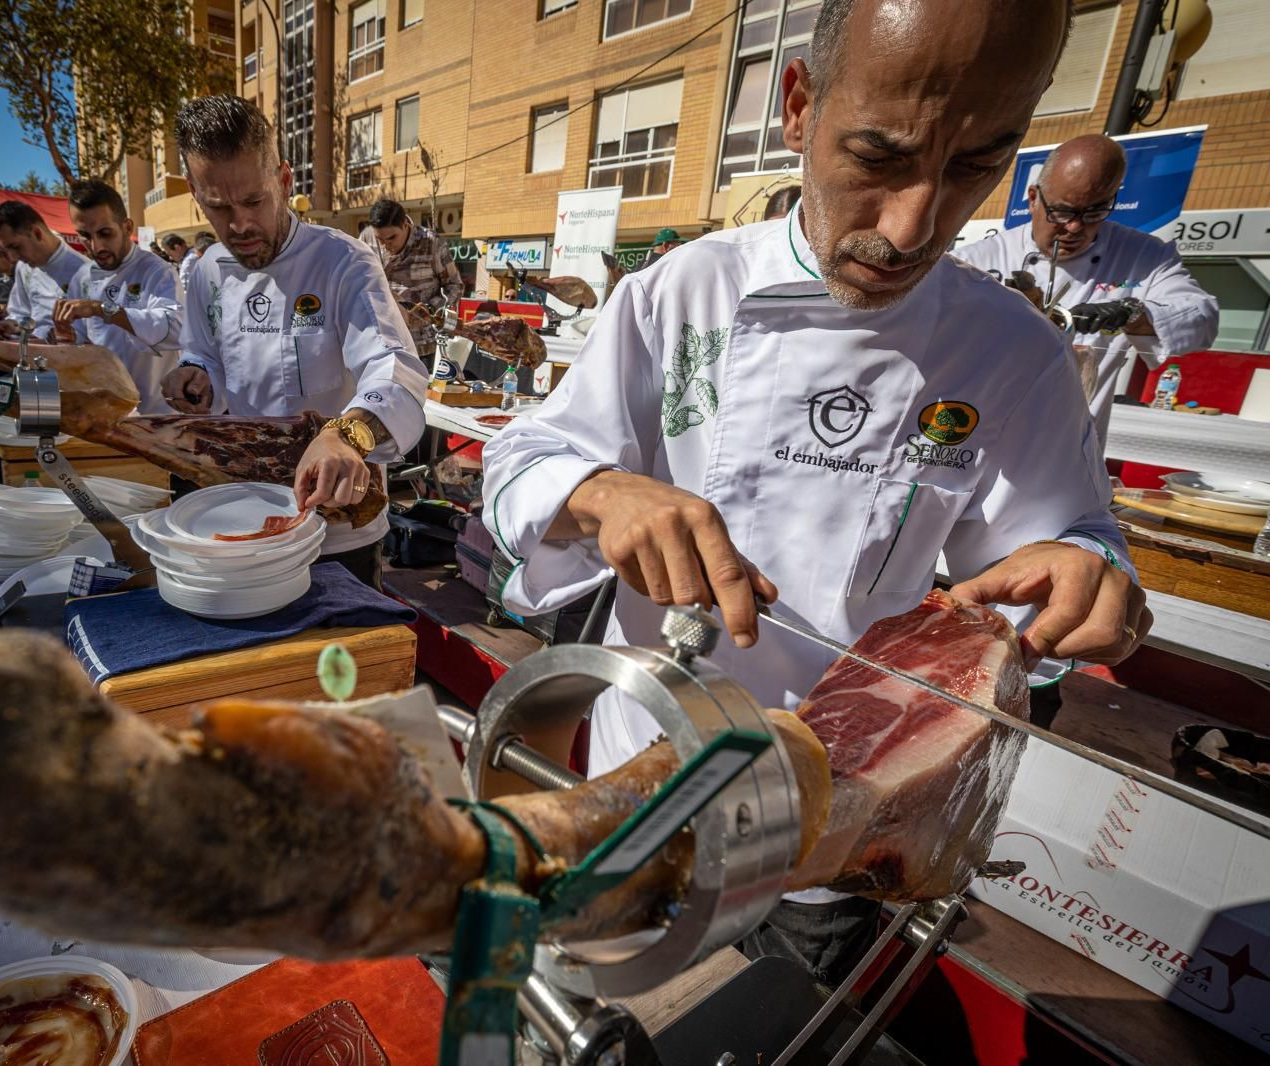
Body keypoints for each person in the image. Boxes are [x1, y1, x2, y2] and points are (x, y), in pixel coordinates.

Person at [481, 0, 1150, 988]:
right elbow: (519, 460)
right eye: (877, 156)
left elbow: (1067, 547)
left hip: (839, 837)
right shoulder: (680, 295)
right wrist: (597, 492)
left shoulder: (1011, 351)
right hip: (642, 793)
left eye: (974, 165)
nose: (913, 225)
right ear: (797, 107)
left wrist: (1095, 575)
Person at [162, 95, 427, 589]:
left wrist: (344, 436)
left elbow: (393, 367)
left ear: (284, 182)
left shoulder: (343, 262)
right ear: (197, 196)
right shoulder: (205, 272)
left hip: (337, 527)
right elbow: (206, 357)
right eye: (218, 207)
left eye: (254, 201)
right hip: (244, 512)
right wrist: (195, 374)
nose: (238, 224)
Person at [952, 134, 1219, 445]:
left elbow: (1203, 318)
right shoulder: (975, 260)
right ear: (1034, 197)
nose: (1075, 227)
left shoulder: (1145, 256)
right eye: (1063, 212)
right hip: (979, 435)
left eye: (1094, 212)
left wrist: (1131, 314)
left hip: (1070, 449)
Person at [51, 179, 182, 415]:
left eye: (105, 233)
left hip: (157, 413)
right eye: (84, 236)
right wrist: (64, 334)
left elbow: (174, 329)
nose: (96, 246)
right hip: (106, 411)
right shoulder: (82, 278)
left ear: (127, 227)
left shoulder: (157, 271)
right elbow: (82, 345)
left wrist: (102, 309)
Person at [359, 198, 463, 361]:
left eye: (391, 238)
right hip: (379, 343)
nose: (385, 245)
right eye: (380, 240)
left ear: (404, 225)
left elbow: (455, 286)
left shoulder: (431, 243)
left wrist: (429, 311)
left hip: (420, 346)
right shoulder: (366, 238)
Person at [0, 200, 89, 339]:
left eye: (15, 247)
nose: (12, 258)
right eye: (6, 251)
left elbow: (96, 336)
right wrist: (11, 323)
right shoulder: (24, 266)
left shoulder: (85, 272)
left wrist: (68, 337)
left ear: (37, 233)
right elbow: (21, 311)